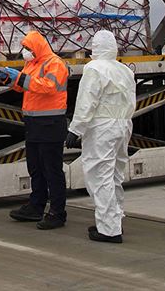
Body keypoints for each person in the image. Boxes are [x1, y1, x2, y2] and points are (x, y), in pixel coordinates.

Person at [65, 30, 136, 243]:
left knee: (100, 177)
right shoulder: (125, 70)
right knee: (115, 175)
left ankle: (109, 229)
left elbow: (88, 101)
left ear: (95, 47)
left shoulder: (94, 69)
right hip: (123, 125)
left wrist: (76, 129)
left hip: (102, 127)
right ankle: (114, 219)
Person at [0, 31, 70, 230]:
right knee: (35, 168)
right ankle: (36, 206)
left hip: (50, 124)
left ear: (37, 47)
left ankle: (57, 212)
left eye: (28, 48)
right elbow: (24, 87)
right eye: (25, 48)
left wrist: (19, 78)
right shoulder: (33, 64)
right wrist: (9, 79)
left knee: (52, 170)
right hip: (34, 123)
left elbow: (47, 87)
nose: (25, 52)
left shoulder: (54, 64)